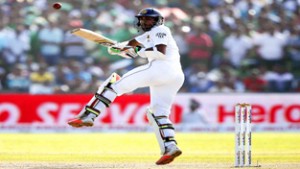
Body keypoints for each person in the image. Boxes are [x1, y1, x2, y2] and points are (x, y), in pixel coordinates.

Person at [68, 8, 185, 165]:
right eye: (143, 19)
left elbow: (159, 52)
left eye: (149, 19)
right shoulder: (147, 35)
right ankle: (170, 146)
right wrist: (117, 48)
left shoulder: (161, 29)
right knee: (158, 113)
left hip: (161, 68)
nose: (145, 22)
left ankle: (89, 115)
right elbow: (131, 45)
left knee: (114, 85)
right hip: (174, 76)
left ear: (157, 21)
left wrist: (136, 51)